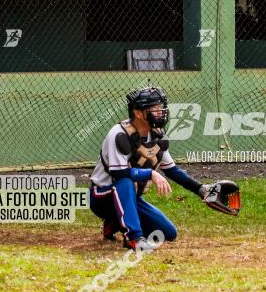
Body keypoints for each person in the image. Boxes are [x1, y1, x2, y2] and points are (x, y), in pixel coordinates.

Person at [89, 86, 240, 252]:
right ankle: (133, 239)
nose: (161, 111)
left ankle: (115, 222)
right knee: (125, 182)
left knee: (168, 233)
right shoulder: (118, 134)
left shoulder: (156, 134)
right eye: (154, 108)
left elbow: (172, 170)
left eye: (161, 107)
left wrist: (200, 189)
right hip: (101, 197)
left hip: (127, 199)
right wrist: (150, 173)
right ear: (138, 113)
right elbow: (119, 173)